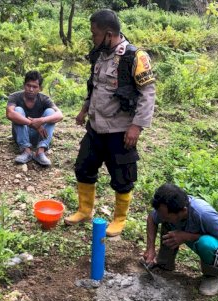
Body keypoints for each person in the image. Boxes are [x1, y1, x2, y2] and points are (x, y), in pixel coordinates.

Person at [64, 9, 156, 237]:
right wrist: (84, 109)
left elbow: (148, 93)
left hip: (120, 131)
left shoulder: (134, 57)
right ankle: (85, 211)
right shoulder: (100, 53)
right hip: (95, 127)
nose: (92, 38)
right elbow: (94, 85)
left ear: (108, 33)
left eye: (94, 34)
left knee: (122, 176)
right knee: (83, 167)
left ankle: (119, 219)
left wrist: (137, 126)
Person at [142, 184, 218, 296]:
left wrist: (185, 236)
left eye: (166, 216)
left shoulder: (203, 213)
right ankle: (164, 263)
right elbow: (152, 219)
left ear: (183, 210)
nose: (162, 218)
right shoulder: (168, 209)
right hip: (194, 236)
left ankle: (211, 276)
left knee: (206, 243)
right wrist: (150, 249)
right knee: (168, 222)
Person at [6, 70, 63, 166]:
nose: (31, 89)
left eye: (35, 87)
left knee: (51, 112)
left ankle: (40, 152)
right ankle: (26, 151)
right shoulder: (15, 97)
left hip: (39, 135)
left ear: (40, 88)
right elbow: (9, 114)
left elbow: (60, 115)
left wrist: (42, 120)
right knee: (18, 110)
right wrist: (32, 124)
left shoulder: (44, 99)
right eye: (28, 85)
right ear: (24, 85)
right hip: (21, 134)